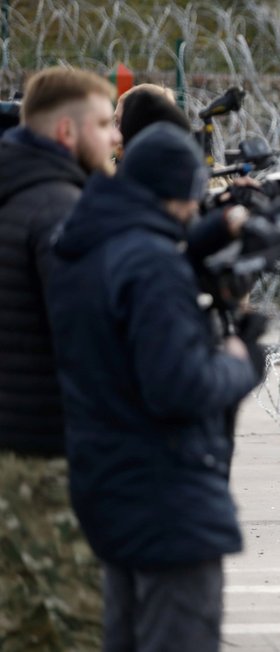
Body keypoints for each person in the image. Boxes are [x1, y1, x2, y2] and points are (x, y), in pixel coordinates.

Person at [45, 122, 265, 651]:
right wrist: (241, 363)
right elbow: (179, 386)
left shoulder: (87, 246)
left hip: (110, 484)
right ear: (176, 193)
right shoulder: (152, 266)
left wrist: (212, 234)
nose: (195, 212)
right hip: (168, 497)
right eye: (192, 201)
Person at [0, 66, 120, 648]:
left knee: (23, 626)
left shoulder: (15, 195)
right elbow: (90, 335)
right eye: (104, 123)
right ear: (68, 133)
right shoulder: (60, 209)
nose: (116, 137)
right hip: (50, 452)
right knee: (90, 623)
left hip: (11, 450)